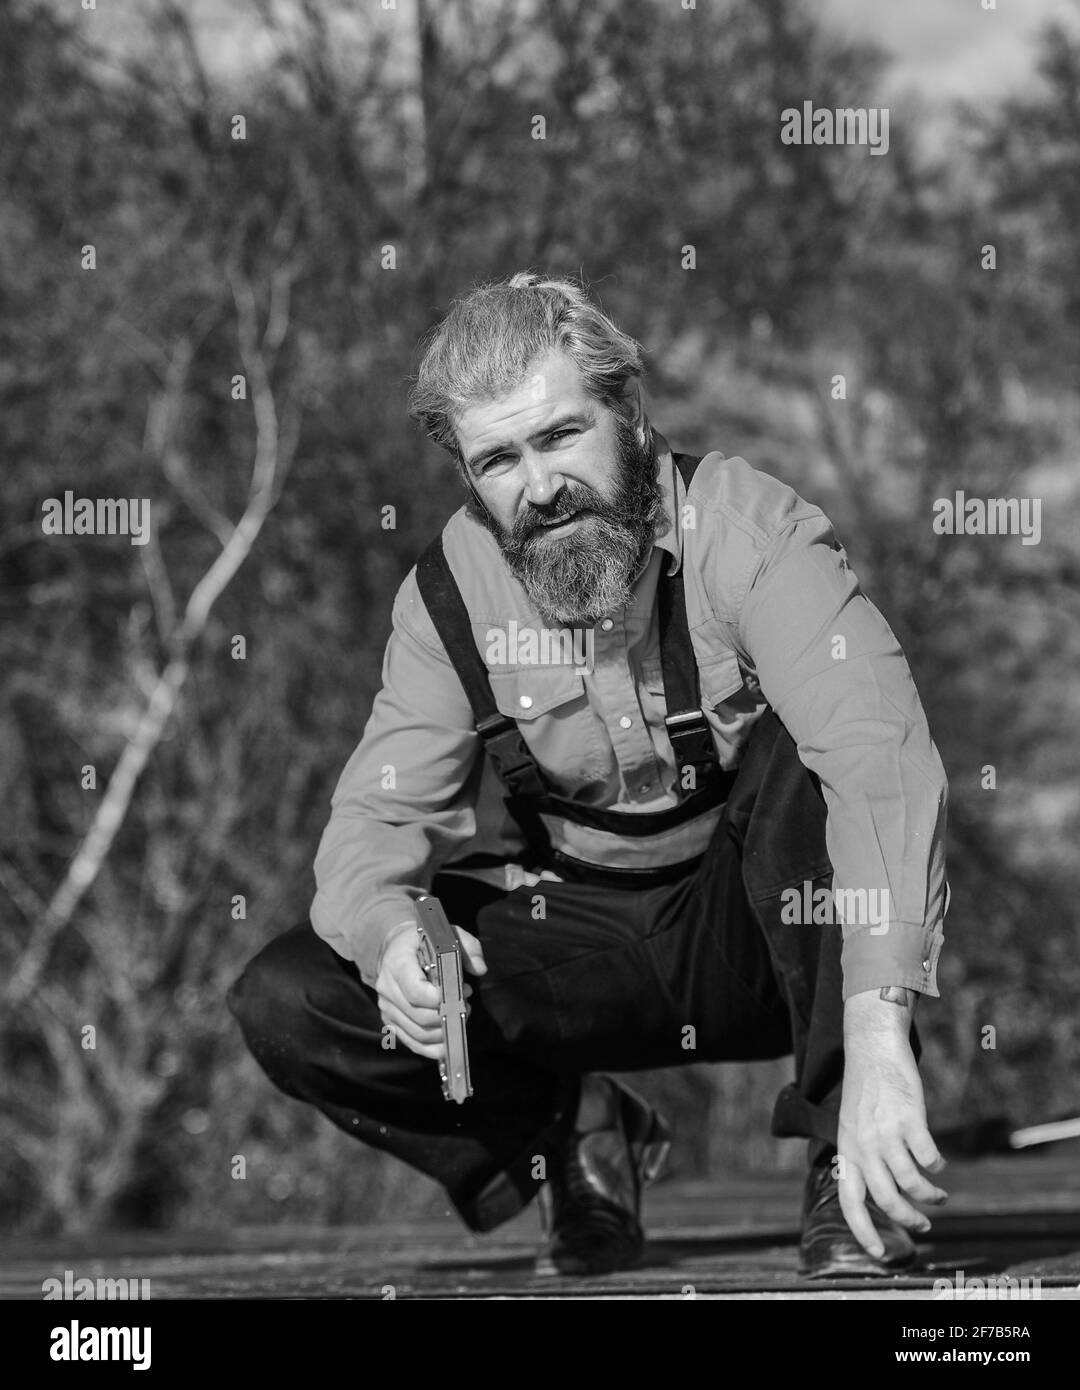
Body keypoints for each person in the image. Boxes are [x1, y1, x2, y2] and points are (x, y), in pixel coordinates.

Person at [228, 271, 951, 1279]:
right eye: (499, 459)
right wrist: (395, 937)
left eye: (560, 436)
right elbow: (373, 828)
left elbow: (883, 761)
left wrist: (881, 1042)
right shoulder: (445, 596)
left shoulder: (751, 531)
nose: (539, 486)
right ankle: (576, 1125)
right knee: (292, 996)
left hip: (758, 927)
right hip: (572, 944)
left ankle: (848, 1152)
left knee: (812, 755)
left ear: (629, 412)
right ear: (468, 475)